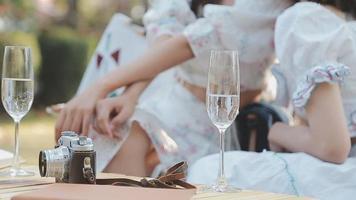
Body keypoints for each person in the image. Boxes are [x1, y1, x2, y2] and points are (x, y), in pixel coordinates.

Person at [54, 0, 293, 177]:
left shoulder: (262, 6)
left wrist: (100, 87)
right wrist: (130, 95)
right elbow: (165, 45)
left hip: (245, 118)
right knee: (118, 130)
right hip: (182, 104)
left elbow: (189, 44)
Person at [188, 1, 356, 199]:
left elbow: (332, 147)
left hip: (346, 175)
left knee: (209, 170)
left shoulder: (305, 19)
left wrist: (278, 132)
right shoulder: (340, 23)